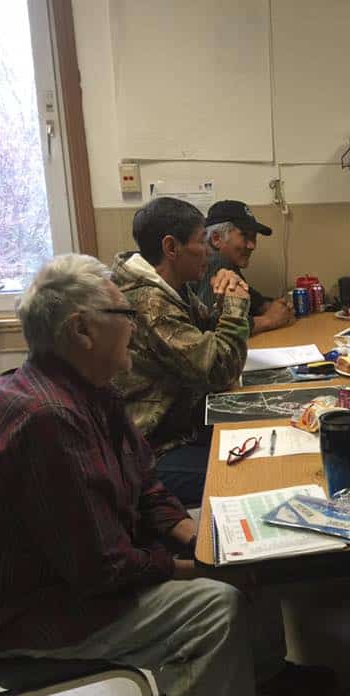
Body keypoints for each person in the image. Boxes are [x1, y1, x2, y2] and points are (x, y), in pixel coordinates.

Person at [0, 254, 334, 696]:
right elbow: (102, 569)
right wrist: (201, 568)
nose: (134, 325)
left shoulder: (91, 387)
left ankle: (261, 678)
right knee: (216, 607)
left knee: (240, 536)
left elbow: (145, 483)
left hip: (76, 576)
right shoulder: (46, 419)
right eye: (125, 315)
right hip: (36, 612)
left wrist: (201, 540)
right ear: (81, 331)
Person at [111, 197, 249, 507]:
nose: (209, 251)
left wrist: (224, 299)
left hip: (179, 428)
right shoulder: (149, 302)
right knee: (249, 474)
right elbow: (218, 369)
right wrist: (237, 306)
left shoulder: (166, 287)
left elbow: (203, 336)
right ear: (171, 248)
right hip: (154, 450)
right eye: (201, 241)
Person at [195, 199, 296, 334]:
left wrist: (271, 306)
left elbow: (251, 297)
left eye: (254, 237)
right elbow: (209, 326)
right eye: (245, 236)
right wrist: (268, 320)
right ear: (216, 238)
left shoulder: (228, 261)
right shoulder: (216, 261)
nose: (252, 246)